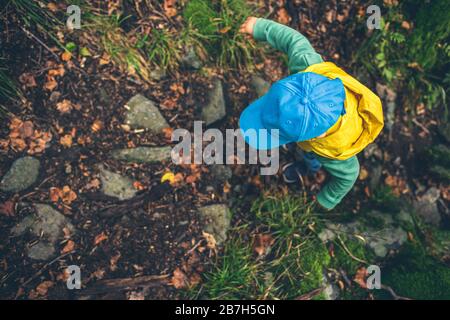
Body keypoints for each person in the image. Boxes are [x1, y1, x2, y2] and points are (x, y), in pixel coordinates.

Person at [238, 17, 384, 210]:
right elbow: (294, 41)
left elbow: (349, 175)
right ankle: (305, 156)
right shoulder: (307, 71)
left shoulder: (335, 153)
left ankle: (309, 167)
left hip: (321, 148)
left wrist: (327, 199)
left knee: (311, 157)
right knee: (306, 149)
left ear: (318, 136)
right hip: (313, 137)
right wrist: (259, 27)